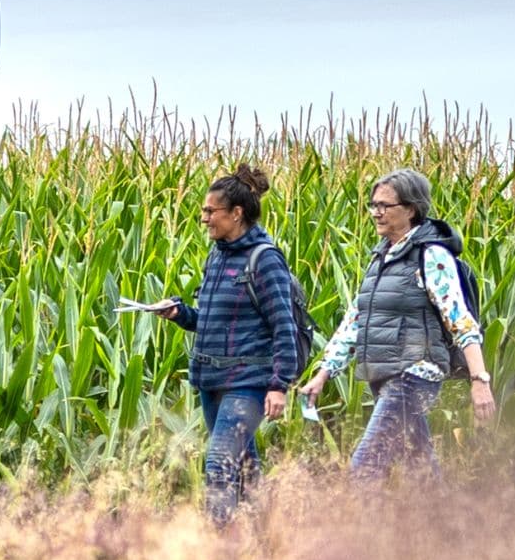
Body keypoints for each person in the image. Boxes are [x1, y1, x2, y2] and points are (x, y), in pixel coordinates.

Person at [299, 167, 493, 478]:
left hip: (413, 375)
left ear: (411, 209)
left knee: (364, 469)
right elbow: (356, 320)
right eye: (373, 205)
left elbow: (461, 321)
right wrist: (324, 374)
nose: (376, 213)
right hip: (386, 374)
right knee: (422, 472)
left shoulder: (431, 256)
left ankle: (352, 528)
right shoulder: (381, 259)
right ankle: (453, 525)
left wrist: (479, 381)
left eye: (384, 206)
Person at [161, 162, 302, 521]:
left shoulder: (264, 259)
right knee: (244, 469)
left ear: (236, 213)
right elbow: (208, 321)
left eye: (211, 211)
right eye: (203, 211)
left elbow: (284, 325)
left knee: (219, 463)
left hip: (248, 383)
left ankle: (219, 548)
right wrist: (179, 314)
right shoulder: (216, 257)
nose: (204, 218)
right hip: (211, 380)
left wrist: (279, 385)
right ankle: (269, 537)